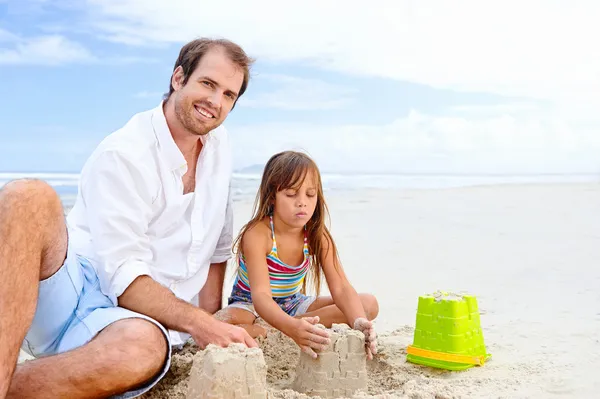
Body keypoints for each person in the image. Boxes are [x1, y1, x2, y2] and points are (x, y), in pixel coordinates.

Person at [0, 37, 258, 399]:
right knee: (27, 197)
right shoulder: (125, 153)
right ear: (178, 78)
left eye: (229, 95)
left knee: (145, 349)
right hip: (72, 292)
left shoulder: (220, 146)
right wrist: (201, 323)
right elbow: (125, 280)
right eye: (208, 84)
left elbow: (217, 248)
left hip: (132, 323)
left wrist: (211, 324)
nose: (216, 102)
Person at [219, 150, 380, 360]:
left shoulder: (316, 235)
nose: (302, 202)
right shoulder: (258, 234)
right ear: (272, 197)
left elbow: (340, 287)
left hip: (293, 304)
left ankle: (280, 328)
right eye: (291, 194)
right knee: (219, 324)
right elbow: (261, 297)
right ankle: (284, 327)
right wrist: (291, 327)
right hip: (249, 305)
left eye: (310, 194)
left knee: (367, 304)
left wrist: (359, 323)